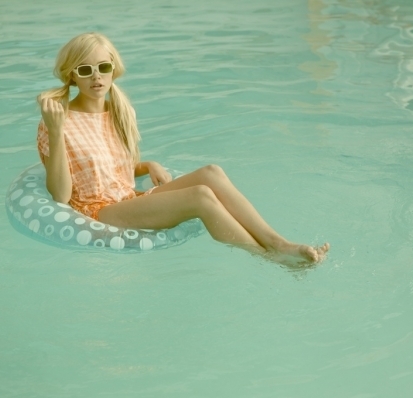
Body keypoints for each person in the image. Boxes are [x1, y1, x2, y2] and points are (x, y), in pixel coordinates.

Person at [37, 32, 329, 267]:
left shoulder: (120, 112)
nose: (96, 77)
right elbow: (60, 195)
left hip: (127, 199)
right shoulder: (58, 120)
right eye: (85, 70)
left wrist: (147, 165)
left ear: (114, 69)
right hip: (99, 212)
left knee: (211, 173)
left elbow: (112, 170)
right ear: (72, 75)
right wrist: (56, 130)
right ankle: (270, 258)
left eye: (103, 67)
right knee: (200, 196)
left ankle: (280, 243)